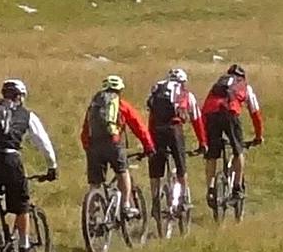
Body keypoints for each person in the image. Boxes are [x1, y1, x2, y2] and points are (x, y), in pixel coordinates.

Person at [0, 78, 57, 252]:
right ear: (20, 96)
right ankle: (24, 244)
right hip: (10, 158)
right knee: (21, 204)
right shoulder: (26, 115)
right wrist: (52, 165)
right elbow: (42, 141)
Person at [80, 75, 153, 220]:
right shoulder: (121, 104)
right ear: (119, 90)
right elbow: (138, 126)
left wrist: (88, 147)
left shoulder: (94, 105)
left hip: (94, 146)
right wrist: (148, 146)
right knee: (122, 172)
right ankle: (126, 205)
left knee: (95, 184)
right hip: (112, 143)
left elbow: (85, 130)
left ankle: (92, 217)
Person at [146, 67, 206, 222]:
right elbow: (197, 120)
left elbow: (151, 116)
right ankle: (184, 198)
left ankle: (155, 202)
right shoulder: (186, 94)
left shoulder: (157, 89)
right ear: (183, 82)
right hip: (174, 129)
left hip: (156, 130)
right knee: (181, 166)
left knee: (155, 170)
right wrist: (202, 142)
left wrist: (149, 139)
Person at [202, 63, 264, 208]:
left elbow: (205, 107)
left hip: (211, 115)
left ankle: (211, 188)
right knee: (238, 150)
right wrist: (258, 135)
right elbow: (255, 113)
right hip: (230, 113)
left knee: (212, 155)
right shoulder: (244, 86)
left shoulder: (218, 85)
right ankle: (237, 189)